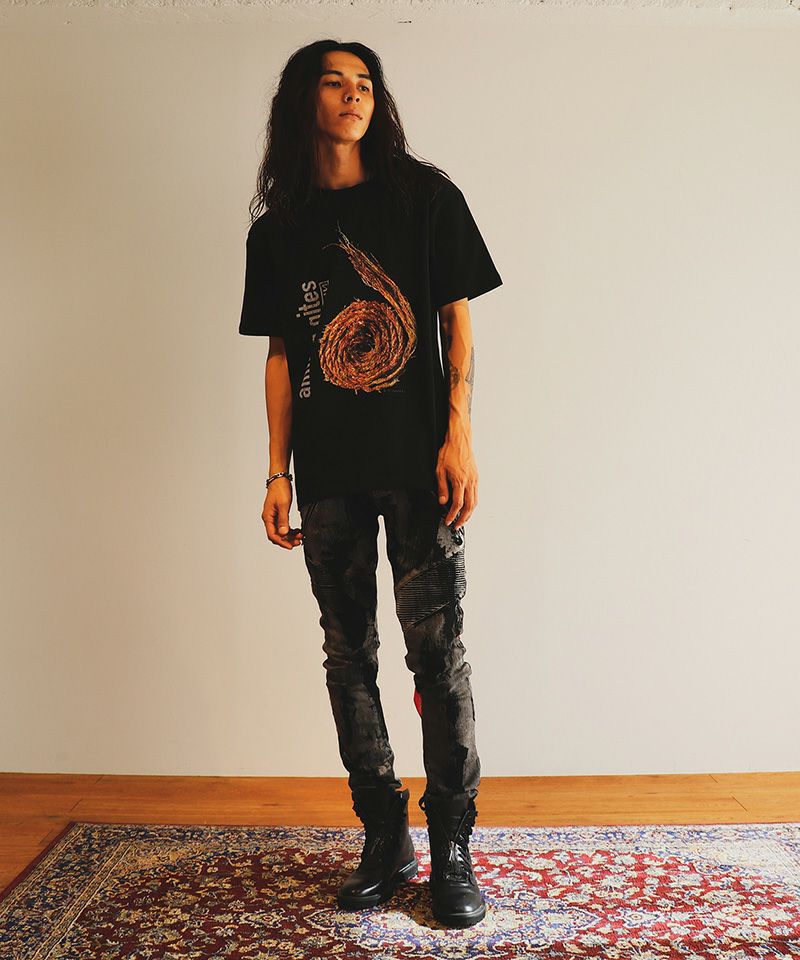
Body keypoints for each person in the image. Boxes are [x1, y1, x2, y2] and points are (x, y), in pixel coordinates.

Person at [239, 39, 503, 929]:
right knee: (347, 654)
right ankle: (385, 835)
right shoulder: (278, 230)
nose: (353, 95)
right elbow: (283, 356)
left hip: (419, 465)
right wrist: (275, 471)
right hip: (328, 474)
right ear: (303, 101)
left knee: (438, 654)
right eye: (334, 82)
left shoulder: (425, 199)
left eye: (365, 84)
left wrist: (459, 435)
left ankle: (453, 841)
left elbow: (456, 321)